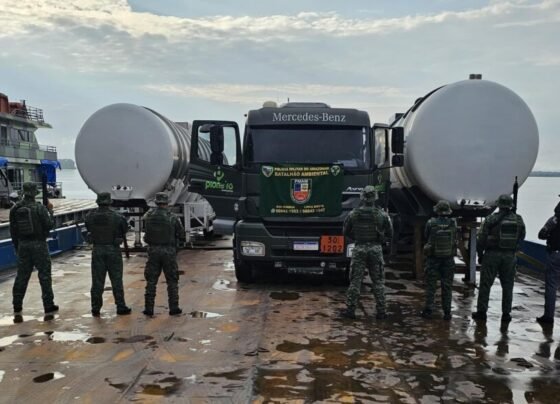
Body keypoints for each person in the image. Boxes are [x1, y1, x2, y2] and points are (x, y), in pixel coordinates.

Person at [340, 186, 393, 319]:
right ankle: (381, 312)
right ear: (375, 198)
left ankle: (350, 310)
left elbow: (345, 232)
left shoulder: (353, 214)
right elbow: (390, 233)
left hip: (359, 249)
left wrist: (357, 238)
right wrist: (380, 239)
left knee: (355, 281)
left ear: (362, 197)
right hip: (375, 249)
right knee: (378, 281)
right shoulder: (382, 215)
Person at [472, 194, 526, 322]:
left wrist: (480, 254)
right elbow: (522, 236)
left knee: (486, 284)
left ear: (499, 205)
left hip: (492, 255)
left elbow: (481, 239)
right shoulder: (518, 219)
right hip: (509, 256)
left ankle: (482, 312)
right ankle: (506, 314)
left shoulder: (491, 219)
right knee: (508, 285)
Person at [10, 182, 58, 314]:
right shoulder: (39, 208)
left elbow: (13, 231)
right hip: (39, 245)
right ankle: (48, 305)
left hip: (23, 245)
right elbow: (49, 225)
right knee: (44, 275)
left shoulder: (15, 209)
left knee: (22, 276)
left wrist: (17, 247)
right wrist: (50, 211)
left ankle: (17, 305)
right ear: (34, 193)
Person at [84, 192, 131, 317]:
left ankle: (95, 307)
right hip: (113, 250)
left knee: (97, 280)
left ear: (98, 201)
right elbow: (125, 229)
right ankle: (120, 306)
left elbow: (88, 228)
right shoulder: (117, 216)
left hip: (97, 250)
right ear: (109, 201)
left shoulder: (90, 216)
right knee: (116, 280)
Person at [142, 192, 186, 316]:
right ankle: (174, 308)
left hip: (153, 251)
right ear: (167, 202)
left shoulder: (148, 216)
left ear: (156, 202)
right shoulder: (172, 217)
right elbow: (181, 234)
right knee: (172, 281)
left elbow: (145, 232)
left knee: (151, 281)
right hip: (169, 252)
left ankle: (149, 308)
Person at [421, 200, 457, 321]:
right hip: (448, 259)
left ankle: (428, 310)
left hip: (433, 259)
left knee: (431, 285)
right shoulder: (453, 223)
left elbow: (426, 236)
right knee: (447, 286)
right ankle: (447, 312)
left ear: (437, 211)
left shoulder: (431, 223)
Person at [536, 200, 560, 324]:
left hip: (555, 254)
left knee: (551, 286)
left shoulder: (554, 220)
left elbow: (541, 234)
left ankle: (548, 316)